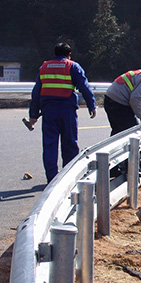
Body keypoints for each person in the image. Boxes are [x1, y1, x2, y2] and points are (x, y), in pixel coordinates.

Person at [27, 42, 97, 183]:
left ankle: (52, 179)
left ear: (54, 54)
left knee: (49, 145)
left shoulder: (44, 67)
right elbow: (84, 87)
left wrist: (33, 114)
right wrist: (92, 105)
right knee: (70, 144)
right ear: (69, 55)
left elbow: (36, 93)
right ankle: (68, 178)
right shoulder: (73, 66)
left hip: (49, 112)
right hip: (67, 111)